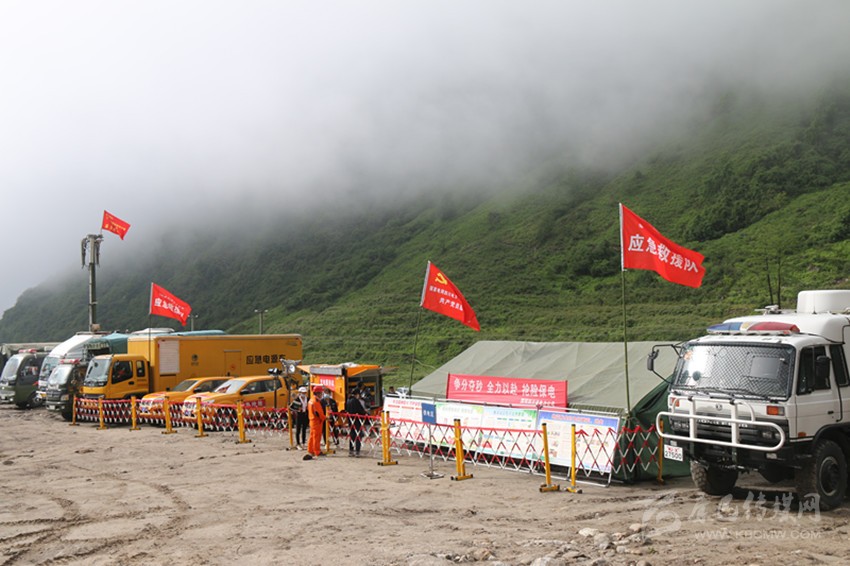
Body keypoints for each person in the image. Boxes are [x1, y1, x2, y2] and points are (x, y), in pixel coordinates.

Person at [345, 388, 368, 457]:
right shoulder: (356, 401)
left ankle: (351, 450)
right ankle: (357, 451)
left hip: (350, 420)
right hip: (357, 421)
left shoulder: (348, 400)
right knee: (358, 435)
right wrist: (365, 412)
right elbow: (360, 410)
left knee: (352, 435)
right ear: (357, 394)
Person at [305, 386, 326, 459]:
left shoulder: (311, 400)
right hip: (317, 421)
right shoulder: (315, 402)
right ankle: (317, 451)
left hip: (312, 421)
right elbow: (319, 413)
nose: (322, 394)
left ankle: (310, 450)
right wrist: (325, 418)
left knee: (312, 436)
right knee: (317, 437)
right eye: (321, 393)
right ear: (318, 393)